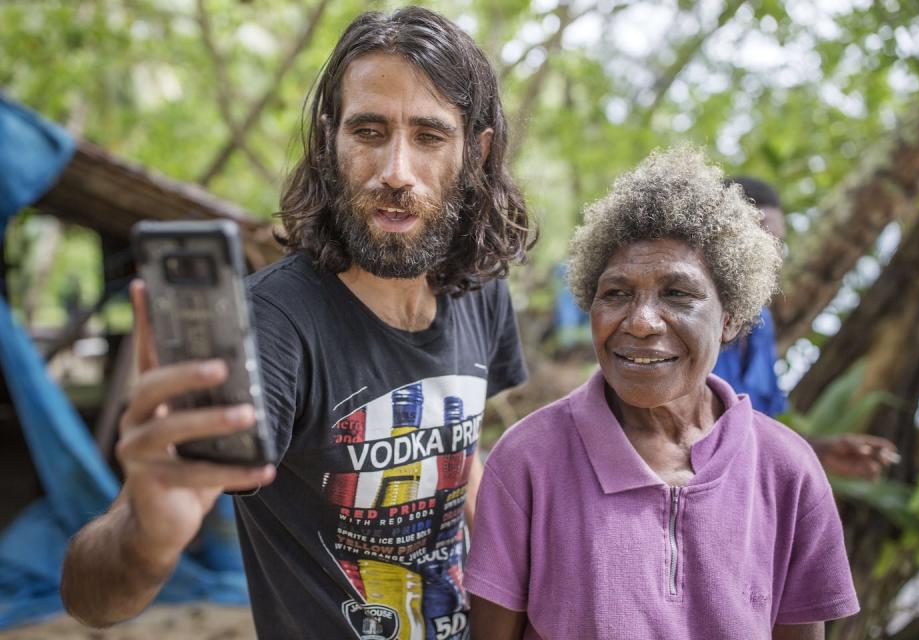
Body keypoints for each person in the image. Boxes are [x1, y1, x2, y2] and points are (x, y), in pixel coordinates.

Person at [60, 8, 533, 639]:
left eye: (429, 136)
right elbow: (92, 602)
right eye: (369, 131)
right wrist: (146, 537)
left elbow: (462, 455)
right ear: (331, 139)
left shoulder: (482, 292)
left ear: (474, 152)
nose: (396, 171)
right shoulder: (270, 328)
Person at [465, 147, 860, 640]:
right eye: (616, 293)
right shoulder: (528, 460)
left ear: (731, 317)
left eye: (678, 293)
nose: (642, 321)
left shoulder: (788, 471)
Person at [717, 176, 898, 480]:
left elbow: (759, 430)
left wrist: (820, 450)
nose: (773, 255)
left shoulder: (761, 324)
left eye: (779, 242)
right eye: (761, 237)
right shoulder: (679, 319)